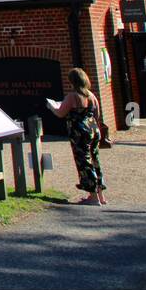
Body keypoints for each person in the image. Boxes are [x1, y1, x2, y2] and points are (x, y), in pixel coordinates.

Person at [53, 68, 108, 205]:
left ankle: (93, 197)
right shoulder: (91, 96)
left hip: (80, 132)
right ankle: (100, 195)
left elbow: (60, 113)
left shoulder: (73, 96)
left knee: (84, 162)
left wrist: (52, 107)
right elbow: (97, 115)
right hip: (93, 129)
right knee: (95, 160)